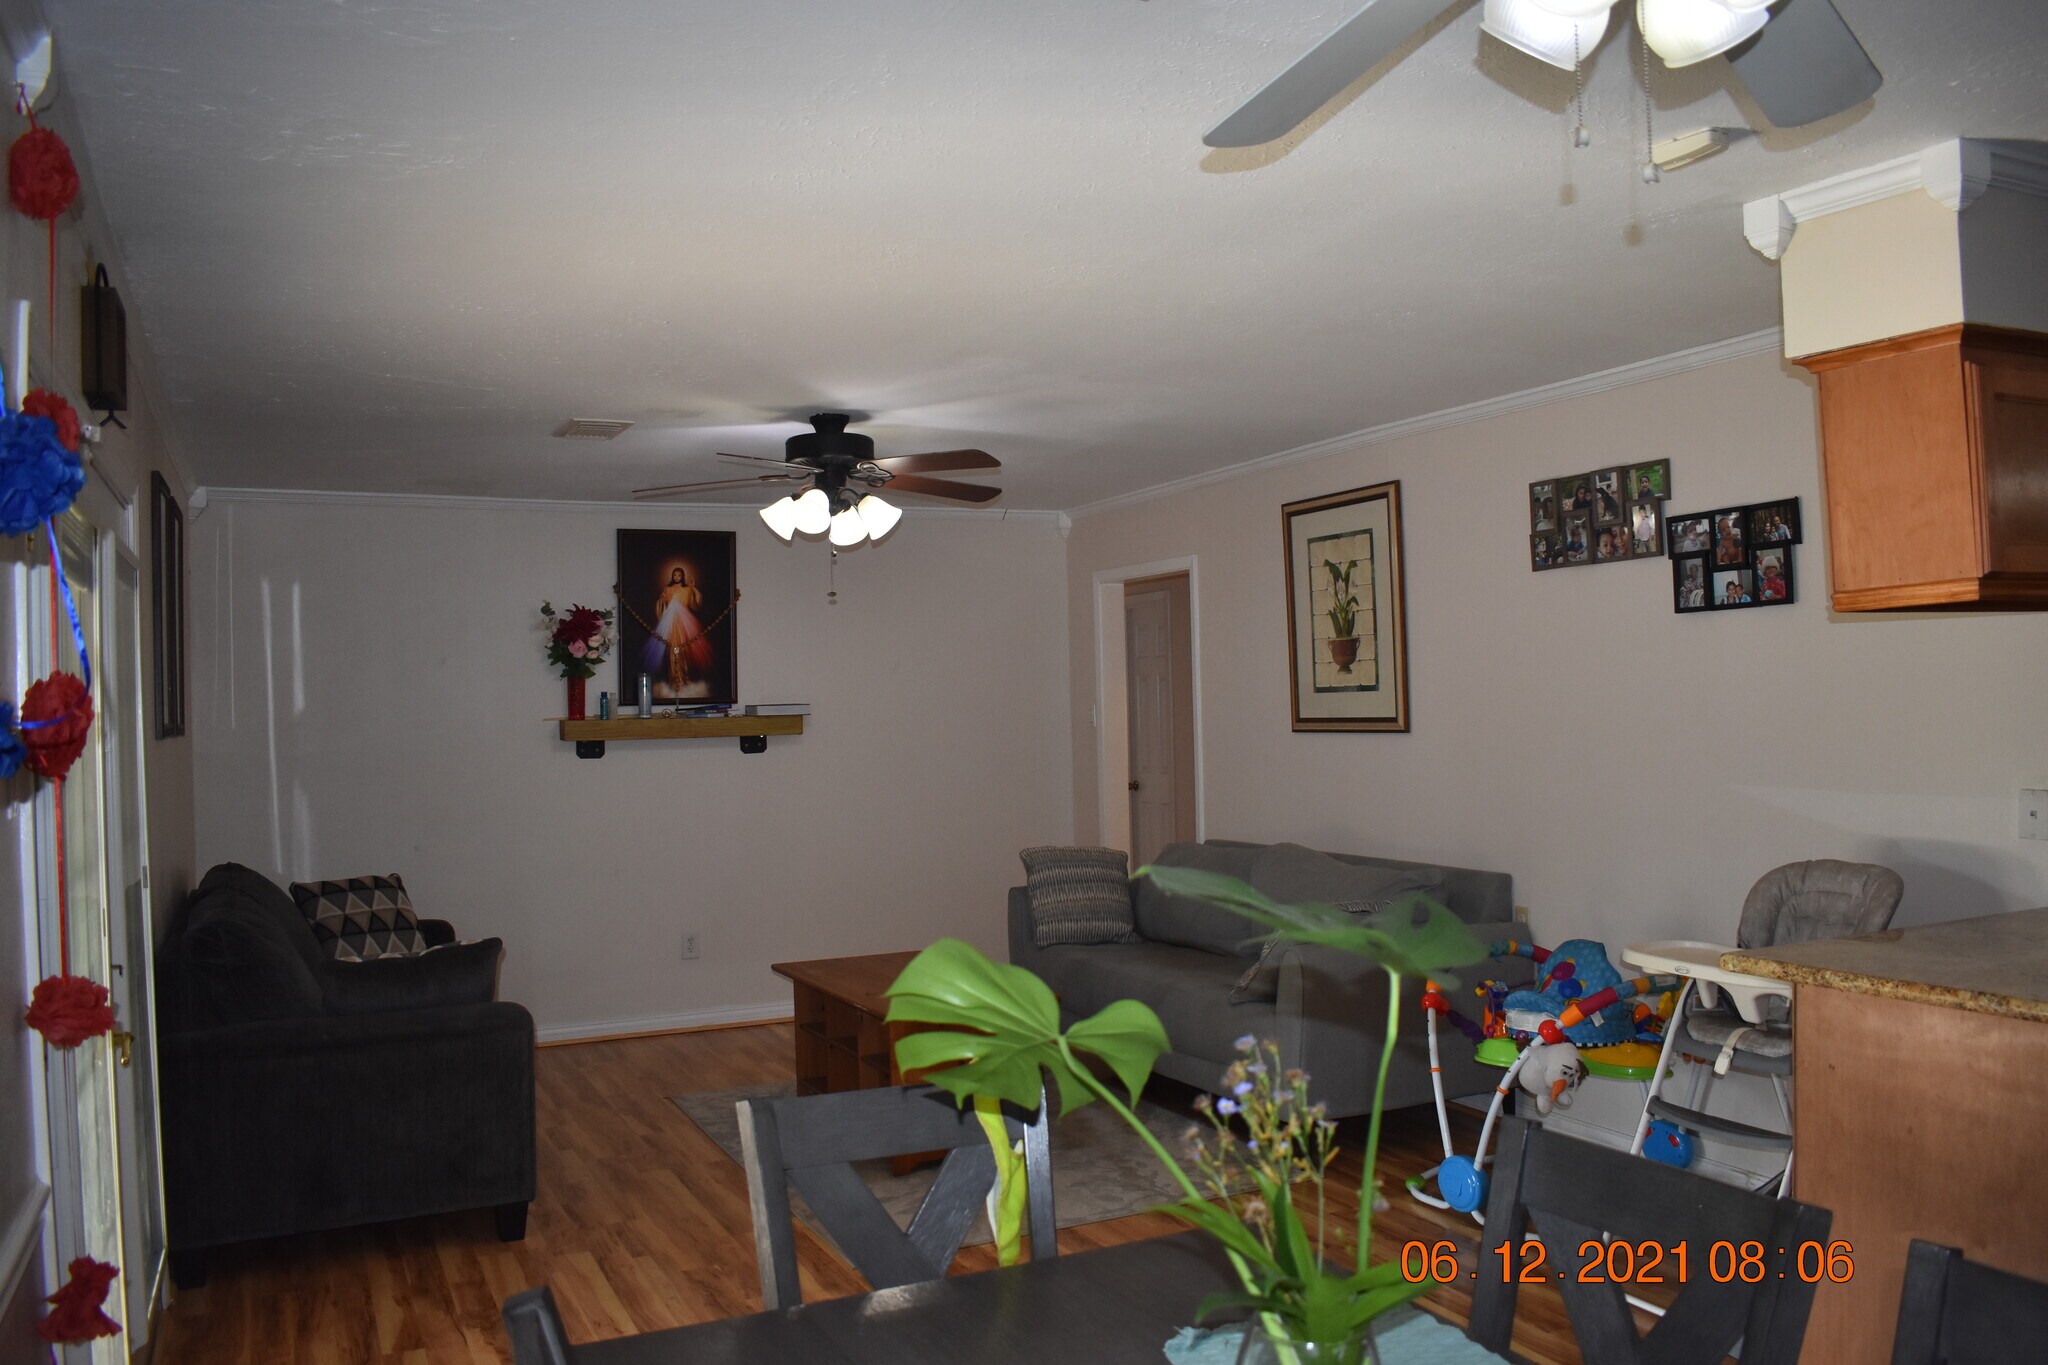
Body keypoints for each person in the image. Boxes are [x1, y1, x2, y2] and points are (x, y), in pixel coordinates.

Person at [642, 566, 717, 693]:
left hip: (684, 623)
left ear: (682, 577)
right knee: (672, 648)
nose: (677, 577)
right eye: (675, 575)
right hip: (671, 622)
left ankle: (684, 677)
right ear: (672, 576)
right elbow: (660, 603)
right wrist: (663, 600)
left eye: (679, 575)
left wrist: (693, 588)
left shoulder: (687, 589)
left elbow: (695, 602)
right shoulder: (668, 588)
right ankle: (674, 678)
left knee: (684, 650)